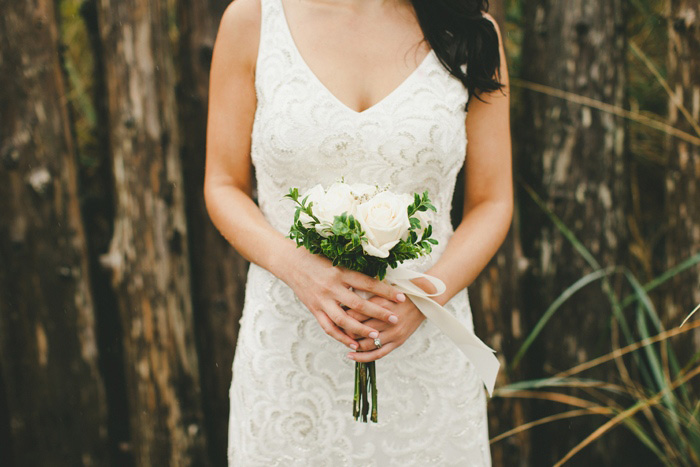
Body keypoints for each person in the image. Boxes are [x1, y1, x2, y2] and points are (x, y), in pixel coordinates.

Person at [204, 0, 512, 464]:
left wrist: (425, 297)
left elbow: (492, 201)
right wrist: (299, 270)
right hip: (290, 355)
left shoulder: (468, 29)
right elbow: (222, 184)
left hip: (424, 349)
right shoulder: (252, 20)